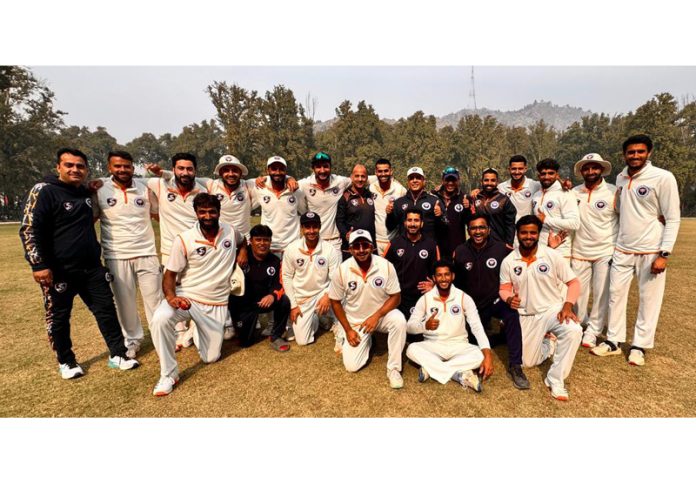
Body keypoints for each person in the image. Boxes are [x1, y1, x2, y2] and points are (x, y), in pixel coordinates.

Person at [19, 148, 139, 379]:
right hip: (58, 271)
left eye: (80, 166)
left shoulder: (83, 191)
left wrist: (91, 187)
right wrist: (38, 264)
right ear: (58, 167)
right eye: (69, 165)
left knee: (105, 310)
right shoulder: (43, 191)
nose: (75, 170)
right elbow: (29, 229)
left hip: (91, 267)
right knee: (59, 317)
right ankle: (66, 361)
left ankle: (118, 354)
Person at [590, 135, 681, 366]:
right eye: (631, 152)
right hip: (622, 248)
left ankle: (639, 345)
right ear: (624, 155)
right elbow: (620, 210)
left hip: (651, 249)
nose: (635, 156)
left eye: (640, 152)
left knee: (648, 299)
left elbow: (672, 218)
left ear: (649, 152)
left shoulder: (662, 177)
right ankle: (613, 341)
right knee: (615, 296)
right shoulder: (621, 177)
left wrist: (664, 253)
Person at [149, 193, 246, 396]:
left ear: (219, 212)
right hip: (188, 298)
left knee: (210, 358)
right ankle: (168, 374)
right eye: (202, 212)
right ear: (196, 213)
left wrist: (243, 251)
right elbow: (169, 275)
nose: (208, 216)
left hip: (217, 303)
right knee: (160, 318)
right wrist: (170, 297)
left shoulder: (230, 231)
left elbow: (242, 240)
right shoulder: (184, 239)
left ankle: (196, 330)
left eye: (212, 211)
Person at [499, 215, 582, 401]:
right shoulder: (509, 261)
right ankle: (549, 343)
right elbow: (503, 288)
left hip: (552, 310)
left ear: (538, 234)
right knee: (528, 362)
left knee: (574, 330)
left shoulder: (551, 255)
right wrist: (509, 298)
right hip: (526, 315)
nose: (528, 236)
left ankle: (556, 380)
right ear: (518, 234)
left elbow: (574, 282)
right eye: (524, 233)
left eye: (532, 232)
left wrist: (568, 305)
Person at [92, 150, 163, 359]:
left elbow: (159, 214)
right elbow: (92, 218)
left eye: (127, 166)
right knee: (125, 303)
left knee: (155, 300)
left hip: (147, 253)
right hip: (116, 255)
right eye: (118, 166)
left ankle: (161, 337)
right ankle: (132, 340)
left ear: (133, 167)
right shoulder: (99, 189)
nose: (123, 170)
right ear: (109, 167)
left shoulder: (145, 188)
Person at [453, 214, 529, 390]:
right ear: (468, 230)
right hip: (472, 306)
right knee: (471, 343)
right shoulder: (460, 251)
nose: (477, 231)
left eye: (481, 228)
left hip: (495, 300)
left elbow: (524, 256)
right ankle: (496, 338)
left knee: (511, 313)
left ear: (488, 229)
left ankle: (515, 366)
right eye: (473, 228)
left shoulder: (502, 249)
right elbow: (454, 280)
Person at [328, 229, 407, 389]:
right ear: (349, 249)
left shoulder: (385, 266)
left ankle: (393, 369)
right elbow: (335, 302)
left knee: (399, 320)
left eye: (365, 245)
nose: (361, 250)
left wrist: (376, 316)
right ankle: (365, 340)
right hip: (356, 322)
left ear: (372, 247)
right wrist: (348, 329)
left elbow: (396, 297)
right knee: (352, 367)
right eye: (356, 246)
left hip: (381, 317)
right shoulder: (342, 270)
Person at [147, 152, 208, 350]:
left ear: (195, 171)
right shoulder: (159, 184)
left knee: (197, 288)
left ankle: (194, 328)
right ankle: (179, 332)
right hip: (169, 250)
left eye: (189, 169)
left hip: (196, 250)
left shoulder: (203, 188)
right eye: (180, 168)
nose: (185, 172)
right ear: (173, 169)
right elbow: (132, 179)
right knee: (173, 290)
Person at [406, 260, 493, 391]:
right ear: (434, 278)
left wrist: (488, 355)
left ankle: (431, 369)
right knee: (411, 349)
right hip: (433, 345)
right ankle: (460, 374)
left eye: (447, 274)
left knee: (479, 355)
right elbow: (409, 327)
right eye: (439, 275)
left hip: (459, 345)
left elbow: (477, 327)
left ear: (453, 276)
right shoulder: (425, 298)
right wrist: (425, 326)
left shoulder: (464, 297)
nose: (443, 279)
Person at [570, 153, 618, 349]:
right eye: (587, 168)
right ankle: (581, 323)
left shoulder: (614, 192)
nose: (591, 171)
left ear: (601, 170)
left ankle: (593, 330)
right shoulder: (574, 192)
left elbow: (629, 216)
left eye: (595, 168)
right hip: (579, 249)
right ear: (582, 171)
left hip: (605, 250)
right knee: (578, 293)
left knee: (601, 293)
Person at [282, 212, 342, 347]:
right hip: (302, 297)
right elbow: (286, 277)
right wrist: (293, 305)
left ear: (320, 227)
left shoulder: (329, 249)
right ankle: (316, 318)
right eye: (307, 227)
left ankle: (337, 323)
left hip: (323, 293)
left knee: (340, 296)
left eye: (314, 227)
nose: (311, 231)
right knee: (302, 341)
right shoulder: (292, 249)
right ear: (302, 228)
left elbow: (335, 278)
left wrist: (327, 295)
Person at [228, 224, 291, 351]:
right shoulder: (240, 257)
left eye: (266, 240)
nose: (262, 243)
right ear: (251, 241)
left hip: (263, 302)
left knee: (284, 300)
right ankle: (241, 327)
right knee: (245, 343)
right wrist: (242, 250)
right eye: (258, 239)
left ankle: (276, 336)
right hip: (244, 305)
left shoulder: (275, 261)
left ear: (270, 241)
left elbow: (279, 284)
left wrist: (272, 295)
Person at [384, 208, 438, 318]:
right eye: (409, 220)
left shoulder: (431, 245)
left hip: (422, 297)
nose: (412, 224)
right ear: (405, 223)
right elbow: (383, 269)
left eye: (416, 220)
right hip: (399, 297)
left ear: (422, 223)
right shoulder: (394, 243)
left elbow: (438, 272)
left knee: (421, 331)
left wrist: (434, 285)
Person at [297, 152, 352, 252]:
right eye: (318, 167)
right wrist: (289, 179)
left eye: (325, 166)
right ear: (313, 169)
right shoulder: (304, 184)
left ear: (330, 167)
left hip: (335, 241)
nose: (322, 171)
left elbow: (361, 179)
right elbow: (282, 182)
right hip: (312, 240)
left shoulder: (340, 182)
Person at [254, 155, 306, 257]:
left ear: (286, 171)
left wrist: (290, 178)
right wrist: (260, 178)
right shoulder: (259, 188)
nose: (277, 172)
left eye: (281, 169)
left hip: (291, 247)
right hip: (269, 247)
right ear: (267, 170)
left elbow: (305, 212)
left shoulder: (296, 191)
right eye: (274, 169)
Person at [531, 158, 580, 256]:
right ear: (538, 175)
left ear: (557, 175)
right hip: (539, 249)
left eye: (550, 173)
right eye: (543, 174)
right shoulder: (536, 195)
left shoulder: (565, 193)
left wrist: (546, 220)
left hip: (560, 250)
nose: (546, 177)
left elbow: (575, 224)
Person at [386, 166, 447, 240]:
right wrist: (389, 214)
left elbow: (445, 228)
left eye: (418, 177)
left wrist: (440, 216)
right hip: (406, 247)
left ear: (424, 181)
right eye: (411, 178)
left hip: (427, 247)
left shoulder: (434, 201)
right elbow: (390, 227)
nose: (414, 180)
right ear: (408, 182)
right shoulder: (399, 202)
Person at [336, 164, 376, 259]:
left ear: (367, 178)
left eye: (363, 176)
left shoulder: (370, 194)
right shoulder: (345, 197)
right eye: (357, 176)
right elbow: (339, 220)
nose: (360, 179)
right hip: (351, 246)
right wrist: (345, 234)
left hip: (369, 245)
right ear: (351, 177)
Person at [431, 166, 472, 260]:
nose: (450, 183)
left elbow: (469, 224)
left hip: (457, 248)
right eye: (447, 180)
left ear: (458, 180)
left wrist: (467, 208)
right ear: (442, 180)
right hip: (437, 248)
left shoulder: (464, 198)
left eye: (453, 180)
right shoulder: (433, 197)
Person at [369, 158, 407, 256]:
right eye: (380, 171)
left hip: (393, 240)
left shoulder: (400, 190)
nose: (383, 174)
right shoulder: (371, 187)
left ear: (391, 171)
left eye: (386, 171)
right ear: (375, 172)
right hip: (375, 240)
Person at [472, 168, 517, 249]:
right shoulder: (476, 198)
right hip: (479, 243)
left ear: (497, 182)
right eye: (486, 180)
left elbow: (510, 225)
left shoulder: (504, 200)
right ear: (481, 181)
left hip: (498, 243)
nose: (489, 183)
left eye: (493, 180)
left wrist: (509, 243)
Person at [498, 154, 541, 221]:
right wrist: (476, 191)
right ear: (509, 169)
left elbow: (552, 187)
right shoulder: (501, 187)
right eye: (514, 169)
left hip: (527, 229)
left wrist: (562, 185)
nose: (517, 172)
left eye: (520, 169)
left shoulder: (535, 185)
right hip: (509, 229)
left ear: (525, 169)